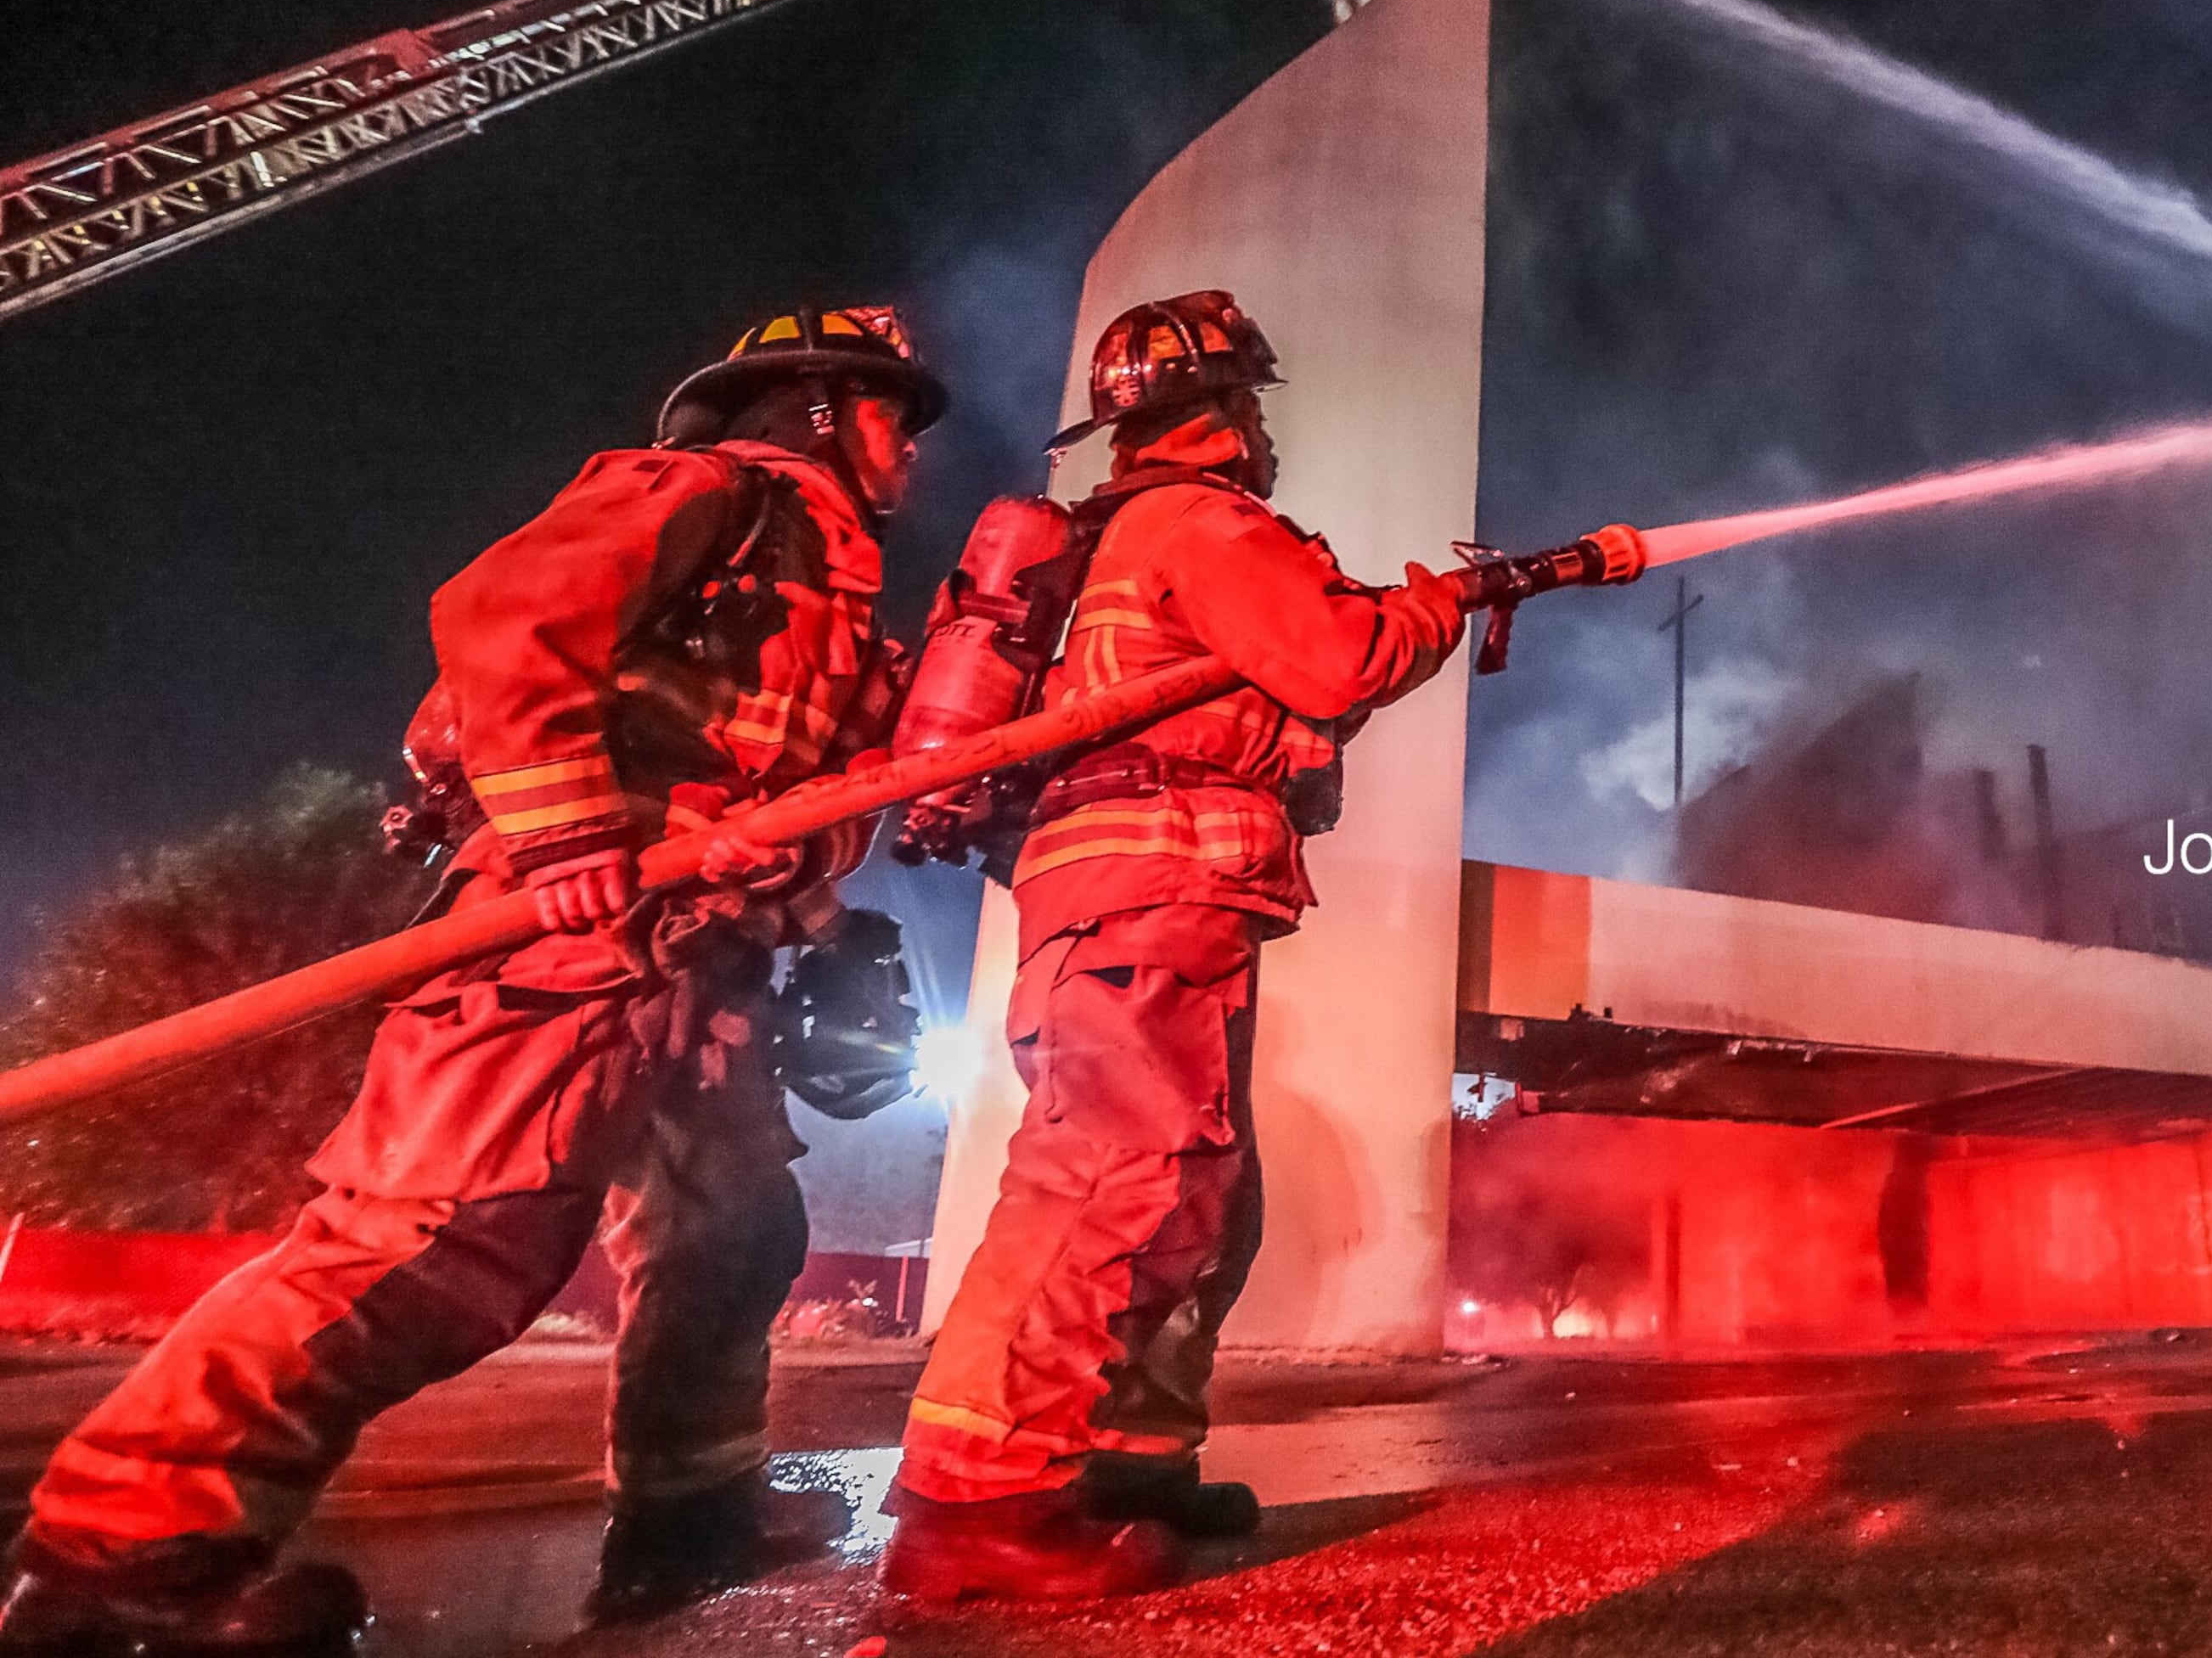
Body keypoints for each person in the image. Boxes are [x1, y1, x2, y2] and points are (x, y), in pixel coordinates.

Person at [0, 307, 945, 1654]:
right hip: (571, 931)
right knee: (434, 1248)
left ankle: (684, 1526)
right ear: (814, 406)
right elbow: (504, 610)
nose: (906, 446)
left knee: (732, 1235)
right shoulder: (703, 492)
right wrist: (566, 829)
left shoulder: (834, 594)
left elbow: (771, 788)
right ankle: (118, 1565)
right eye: (890, 413)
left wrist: (817, 916)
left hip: (700, 958)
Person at [877, 290, 1466, 1601]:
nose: (1262, 433)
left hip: (1148, 889)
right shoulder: (1201, 522)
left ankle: (1126, 1456)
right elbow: (1338, 654)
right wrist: (1436, 606)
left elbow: (1266, 702)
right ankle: (971, 1506)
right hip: (1150, 884)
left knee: (1199, 1197)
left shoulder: (1102, 542)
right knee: (1108, 1179)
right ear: (1222, 417)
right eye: (1252, 407)